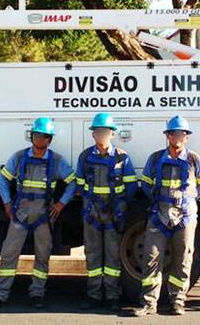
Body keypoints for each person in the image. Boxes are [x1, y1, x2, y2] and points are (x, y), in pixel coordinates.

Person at [0, 117, 77, 310]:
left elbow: (72, 182)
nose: (39, 139)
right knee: (9, 254)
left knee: (42, 256)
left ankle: (37, 293)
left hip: (44, 216)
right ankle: (0, 295)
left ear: (49, 139)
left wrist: (61, 204)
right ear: (32, 137)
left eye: (43, 136)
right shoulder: (19, 158)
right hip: (20, 215)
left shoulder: (57, 161)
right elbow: (3, 180)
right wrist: (7, 202)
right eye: (36, 135)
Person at [135, 115, 200, 316]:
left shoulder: (194, 160)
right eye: (173, 133)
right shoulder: (155, 158)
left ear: (186, 137)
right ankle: (149, 303)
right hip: (159, 215)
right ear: (167, 136)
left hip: (185, 217)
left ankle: (178, 301)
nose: (177, 137)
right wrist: (161, 203)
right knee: (151, 258)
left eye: (181, 134)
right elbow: (146, 184)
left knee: (183, 259)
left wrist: (185, 204)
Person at [76, 113, 138, 311]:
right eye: (98, 132)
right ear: (93, 135)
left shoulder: (123, 157)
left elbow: (131, 186)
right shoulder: (85, 157)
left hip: (113, 214)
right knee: (92, 255)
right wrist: (88, 205)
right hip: (92, 214)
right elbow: (79, 184)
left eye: (105, 132)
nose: (101, 135)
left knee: (112, 256)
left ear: (112, 134)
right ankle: (94, 295)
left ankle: (112, 296)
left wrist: (121, 206)